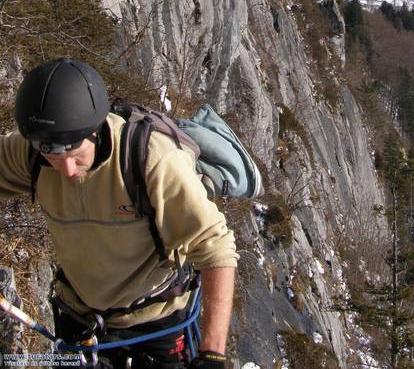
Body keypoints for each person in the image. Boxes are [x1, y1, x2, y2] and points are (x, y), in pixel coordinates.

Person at [0, 57, 238, 368]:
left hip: (154, 327)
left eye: (75, 153)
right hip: (77, 321)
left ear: (96, 130)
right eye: (53, 153)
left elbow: (216, 248)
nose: (67, 169)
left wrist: (212, 354)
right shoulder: (35, 153)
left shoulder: (151, 161)